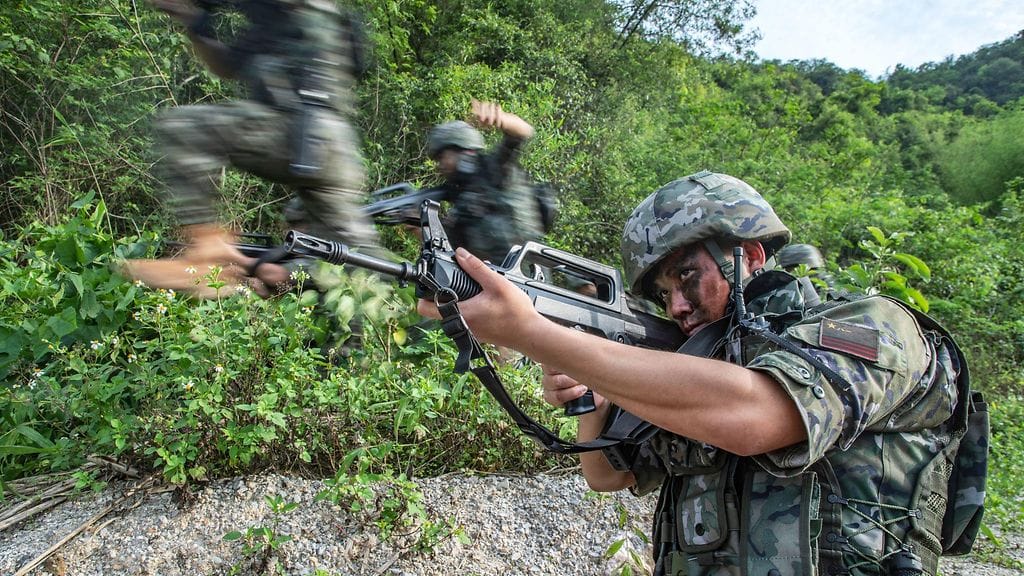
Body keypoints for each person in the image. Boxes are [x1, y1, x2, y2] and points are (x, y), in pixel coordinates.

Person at [418, 171, 968, 575]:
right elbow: (607, 475)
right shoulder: (696, 370)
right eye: (663, 293)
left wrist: (533, 333)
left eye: (689, 277)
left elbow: (757, 413)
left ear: (750, 255)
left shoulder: (868, 325)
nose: (677, 306)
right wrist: (593, 395)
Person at [123, 0, 380, 297]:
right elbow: (228, 65)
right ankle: (393, 321)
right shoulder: (281, 23)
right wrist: (195, 22)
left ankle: (206, 249)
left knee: (184, 127)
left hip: (303, 130)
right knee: (359, 260)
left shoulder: (301, 13)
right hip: (337, 151)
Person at [426, 99, 545, 265]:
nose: (440, 165)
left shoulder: (495, 168)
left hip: (524, 276)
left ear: (462, 149)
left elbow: (523, 132)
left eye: (442, 157)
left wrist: (500, 118)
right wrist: (419, 227)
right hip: (491, 281)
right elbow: (448, 255)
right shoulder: (458, 198)